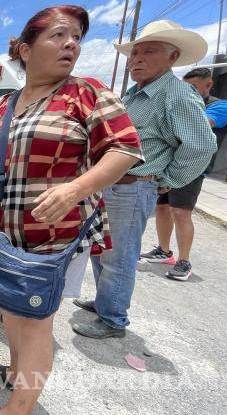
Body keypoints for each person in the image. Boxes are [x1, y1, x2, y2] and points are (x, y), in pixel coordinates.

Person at [0, 6, 143, 415]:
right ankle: (14, 373)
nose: (71, 45)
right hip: (2, 228)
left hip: (54, 233)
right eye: (59, 36)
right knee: (11, 308)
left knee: (35, 320)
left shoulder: (87, 92)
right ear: (26, 50)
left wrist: (77, 188)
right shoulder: (3, 103)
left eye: (76, 37)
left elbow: (125, 149)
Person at [73, 20, 217, 338]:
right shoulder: (136, 93)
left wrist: (167, 180)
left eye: (148, 51)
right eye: (134, 53)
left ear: (172, 56)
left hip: (133, 185)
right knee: (103, 248)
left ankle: (113, 319)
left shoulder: (177, 95)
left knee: (120, 254)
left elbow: (202, 145)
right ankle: (104, 302)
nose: (136, 59)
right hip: (112, 185)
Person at [140, 67, 227, 280]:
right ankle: (164, 251)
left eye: (193, 87)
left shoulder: (221, 106)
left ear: (208, 84)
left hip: (191, 167)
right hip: (167, 164)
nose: (188, 91)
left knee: (181, 212)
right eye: (185, 87)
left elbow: (197, 125)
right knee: (162, 207)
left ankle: (184, 261)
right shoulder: (186, 103)